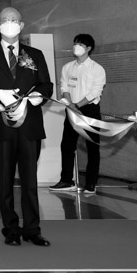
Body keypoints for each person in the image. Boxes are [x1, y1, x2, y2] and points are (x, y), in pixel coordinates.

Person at [0, 6, 53, 247]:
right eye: (5, 20)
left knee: (29, 181)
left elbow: (46, 85)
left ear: (22, 25)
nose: (10, 23)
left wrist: (39, 96)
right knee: (5, 180)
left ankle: (33, 229)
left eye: (15, 20)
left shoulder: (35, 54)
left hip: (30, 125)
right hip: (2, 125)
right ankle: (11, 229)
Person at [50, 34, 106, 195]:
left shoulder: (97, 68)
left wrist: (77, 105)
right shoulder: (67, 67)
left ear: (88, 48)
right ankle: (66, 180)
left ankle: (91, 183)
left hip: (89, 110)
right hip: (71, 109)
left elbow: (95, 92)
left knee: (92, 147)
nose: (76, 47)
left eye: (80, 44)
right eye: (75, 43)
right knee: (67, 145)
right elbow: (64, 87)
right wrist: (71, 105)